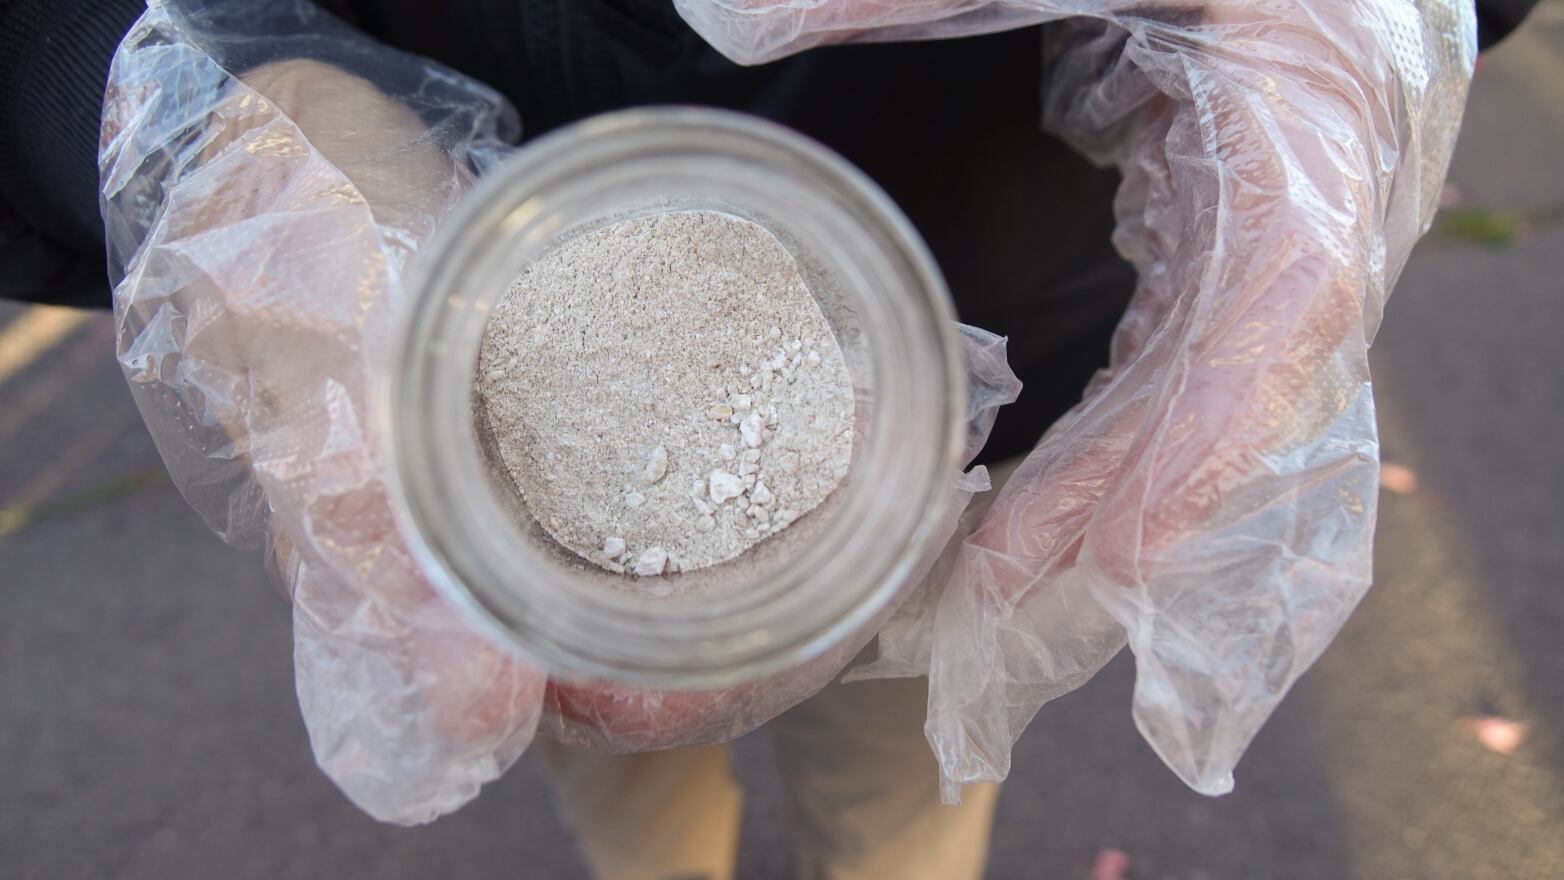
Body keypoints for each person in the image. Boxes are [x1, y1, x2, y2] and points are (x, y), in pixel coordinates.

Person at [0, 2, 1538, 879]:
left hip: (1008, 375)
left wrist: (1361, 13)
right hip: (440, 364)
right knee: (624, 777)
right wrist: (159, 106)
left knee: (905, 800)